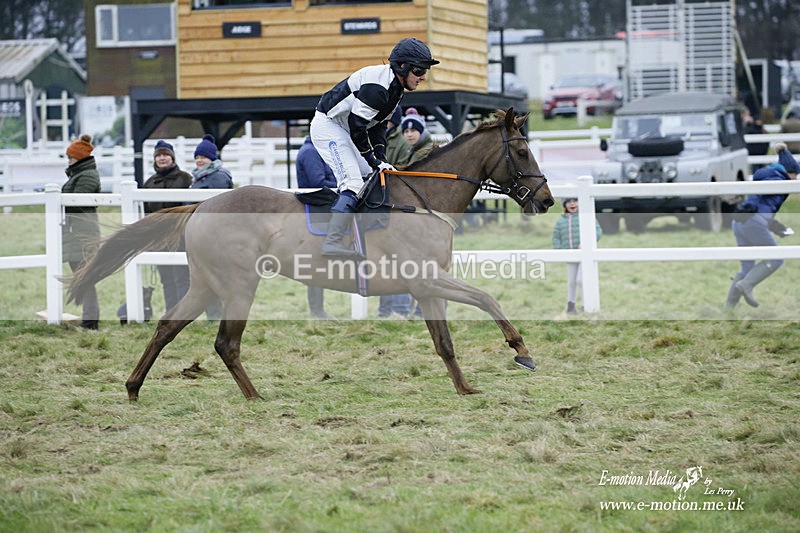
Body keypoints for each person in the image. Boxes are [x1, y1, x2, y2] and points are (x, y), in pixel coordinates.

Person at [311, 37, 439, 257]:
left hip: (347, 127)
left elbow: (378, 128)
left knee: (375, 175)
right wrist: (372, 158)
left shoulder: (396, 89)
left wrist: (380, 159)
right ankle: (331, 242)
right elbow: (358, 126)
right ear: (402, 67)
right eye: (419, 71)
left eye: (424, 71)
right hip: (329, 126)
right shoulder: (378, 88)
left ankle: (365, 233)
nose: (423, 77)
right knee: (352, 181)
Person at [725, 143, 798, 309]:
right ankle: (746, 285)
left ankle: (729, 308)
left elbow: (763, 205)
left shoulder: (769, 175)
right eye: (796, 175)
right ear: (789, 172)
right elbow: (758, 196)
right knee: (776, 258)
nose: (796, 180)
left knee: (747, 267)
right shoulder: (778, 179)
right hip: (751, 221)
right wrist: (749, 206)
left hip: (740, 222)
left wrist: (776, 226)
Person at [142, 140, 193, 312]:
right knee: (166, 279)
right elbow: (146, 213)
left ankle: (184, 314)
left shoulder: (185, 179)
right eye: (159, 155)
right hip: (158, 238)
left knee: (181, 277)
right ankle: (171, 312)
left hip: (179, 236)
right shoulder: (149, 183)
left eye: (165, 155)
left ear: (172, 157)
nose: (162, 158)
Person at [191, 134, 233, 320]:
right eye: (197, 157)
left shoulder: (217, 178)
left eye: (203, 157)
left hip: (214, 233)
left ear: (212, 158)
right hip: (202, 231)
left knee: (216, 275)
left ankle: (216, 315)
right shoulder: (199, 177)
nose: (199, 160)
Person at [62, 134, 102, 330]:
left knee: (84, 277)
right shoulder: (80, 175)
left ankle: (90, 319)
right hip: (76, 231)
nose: (69, 160)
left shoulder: (87, 176)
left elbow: (77, 202)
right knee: (82, 277)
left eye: (71, 157)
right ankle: (89, 318)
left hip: (82, 232)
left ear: (79, 157)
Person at [296, 135, 336, 319]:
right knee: (317, 261)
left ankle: (317, 310)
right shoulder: (311, 152)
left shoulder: (313, 149)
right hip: (316, 210)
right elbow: (318, 182)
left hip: (318, 209)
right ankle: (317, 311)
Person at [552, 197, 603, 314]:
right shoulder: (561, 220)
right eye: (569, 201)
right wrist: (559, 250)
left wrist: (587, 243)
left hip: (584, 255)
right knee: (571, 281)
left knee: (581, 280)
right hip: (570, 255)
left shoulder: (586, 217)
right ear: (565, 205)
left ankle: (586, 305)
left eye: (575, 200)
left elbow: (597, 231)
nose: (572, 203)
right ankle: (571, 305)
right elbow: (556, 236)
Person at [742, 108, 769, 172]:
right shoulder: (761, 130)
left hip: (757, 154)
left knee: (757, 170)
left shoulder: (752, 129)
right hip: (758, 154)